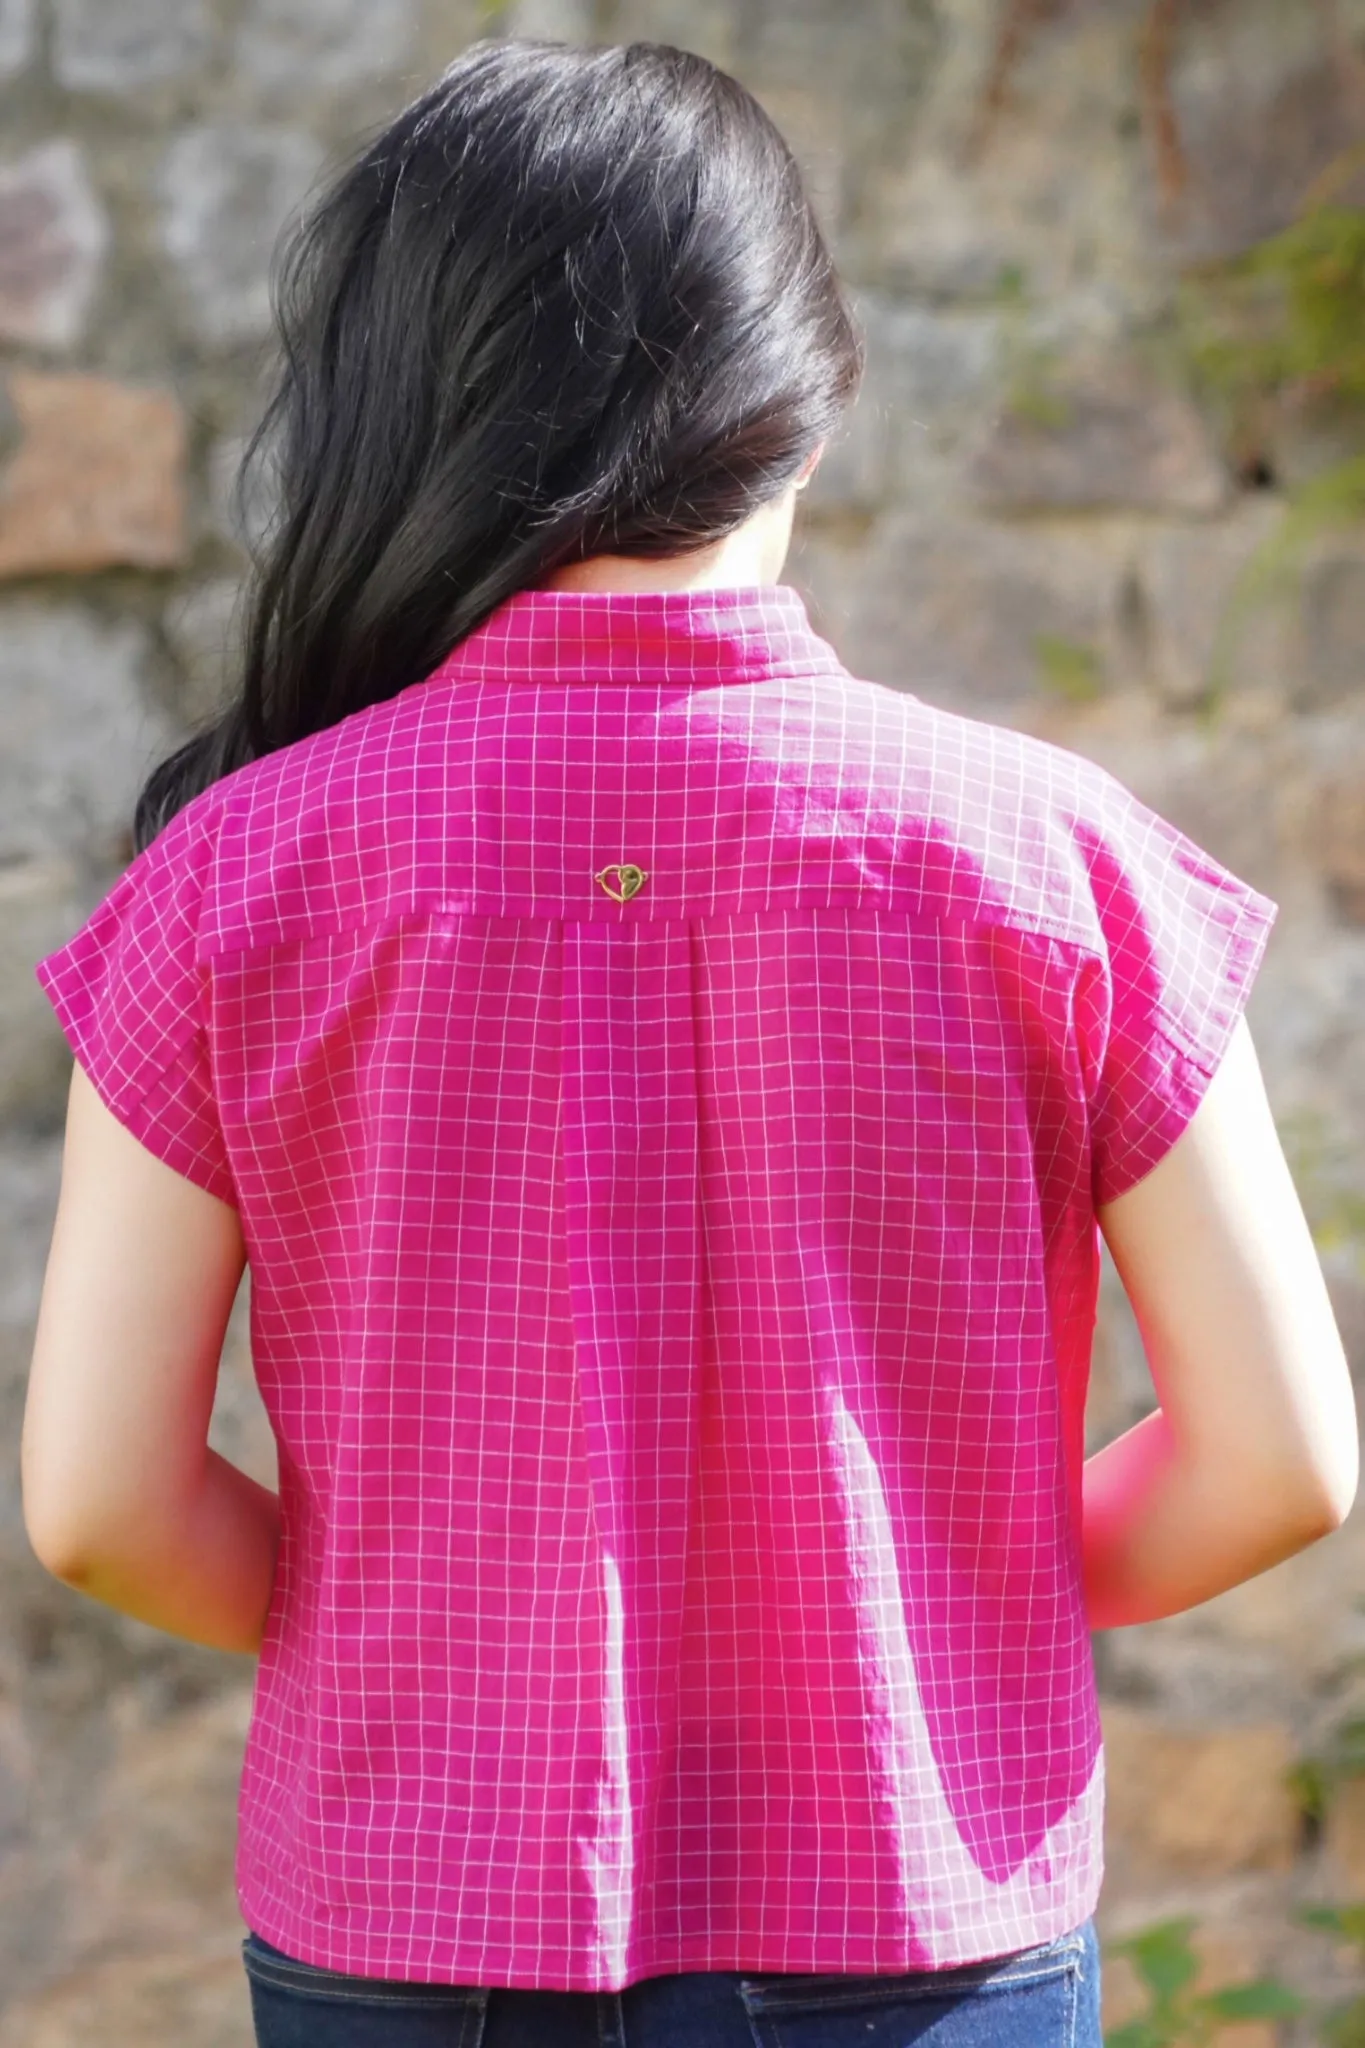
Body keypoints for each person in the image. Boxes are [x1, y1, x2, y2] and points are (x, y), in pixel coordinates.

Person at [19, 34, 1356, 2048]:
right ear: (802, 413)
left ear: (409, 418)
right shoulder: (1062, 865)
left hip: (408, 1936)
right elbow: (1280, 1460)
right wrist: (917, 1611)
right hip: (926, 1941)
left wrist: (420, 1630)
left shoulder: (231, 883)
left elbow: (101, 1501)